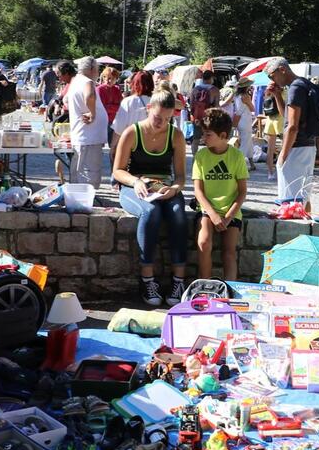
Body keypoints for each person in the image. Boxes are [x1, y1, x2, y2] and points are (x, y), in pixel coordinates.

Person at [112, 88, 189, 306]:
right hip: (134, 186)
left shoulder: (176, 135)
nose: (161, 123)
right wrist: (136, 182)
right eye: (157, 117)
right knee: (150, 212)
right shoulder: (131, 132)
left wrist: (174, 188)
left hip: (164, 186)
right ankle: (147, 278)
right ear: (148, 109)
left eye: (167, 119)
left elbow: (181, 175)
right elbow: (117, 171)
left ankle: (179, 280)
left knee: (178, 214)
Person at [193, 108, 248, 280]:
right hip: (208, 210)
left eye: (208, 135)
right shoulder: (201, 156)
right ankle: (205, 286)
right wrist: (213, 215)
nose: (204, 138)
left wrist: (229, 216)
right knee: (203, 243)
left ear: (223, 135)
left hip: (231, 212)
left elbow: (242, 191)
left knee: (229, 251)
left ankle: (231, 290)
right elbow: (198, 191)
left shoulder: (236, 156)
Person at [265, 57, 319, 207]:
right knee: (303, 196)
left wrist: (283, 153)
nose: (273, 80)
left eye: (272, 76)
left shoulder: (295, 88)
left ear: (282, 69)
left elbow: (292, 126)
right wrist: (277, 95)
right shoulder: (304, 84)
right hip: (309, 145)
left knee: (290, 201)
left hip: (295, 148)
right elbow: (288, 118)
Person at [66, 56, 109, 189]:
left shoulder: (75, 81)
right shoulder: (87, 82)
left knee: (79, 172)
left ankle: (78, 197)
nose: (97, 73)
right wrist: (93, 113)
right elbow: (89, 96)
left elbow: (65, 100)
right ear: (91, 69)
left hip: (84, 136)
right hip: (89, 137)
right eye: (97, 70)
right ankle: (84, 200)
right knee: (89, 175)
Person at [111, 70, 153, 148]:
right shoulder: (156, 101)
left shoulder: (128, 101)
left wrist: (113, 147)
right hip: (151, 144)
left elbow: (118, 128)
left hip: (130, 145)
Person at [189, 69, 220, 156]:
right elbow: (217, 106)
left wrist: (194, 115)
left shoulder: (195, 89)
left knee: (195, 139)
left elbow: (191, 105)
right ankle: (209, 158)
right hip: (209, 117)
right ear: (211, 78)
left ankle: (195, 158)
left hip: (197, 118)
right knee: (209, 138)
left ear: (202, 78)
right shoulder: (215, 90)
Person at [261, 79, 284, 180]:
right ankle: (282, 170)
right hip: (280, 121)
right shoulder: (283, 92)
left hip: (270, 120)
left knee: (270, 149)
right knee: (284, 148)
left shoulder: (267, 93)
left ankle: (270, 173)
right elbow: (283, 109)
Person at [97, 66, 124, 142]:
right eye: (105, 77)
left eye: (111, 78)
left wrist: (111, 107)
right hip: (104, 121)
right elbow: (102, 108)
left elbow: (121, 106)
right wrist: (114, 107)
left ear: (116, 79)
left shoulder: (117, 89)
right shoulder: (99, 89)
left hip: (115, 120)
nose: (107, 80)